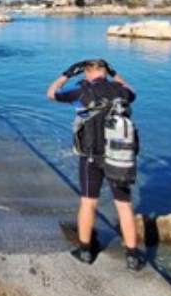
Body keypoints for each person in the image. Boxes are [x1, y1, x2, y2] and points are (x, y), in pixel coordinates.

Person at [47, 58, 144, 271]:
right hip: (119, 157)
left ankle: (85, 251)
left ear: (86, 74)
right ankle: (132, 257)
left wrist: (67, 73)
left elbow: (51, 93)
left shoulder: (80, 92)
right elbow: (132, 90)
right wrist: (115, 72)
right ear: (105, 73)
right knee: (124, 206)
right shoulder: (120, 90)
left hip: (91, 157)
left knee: (88, 203)